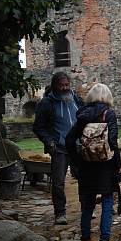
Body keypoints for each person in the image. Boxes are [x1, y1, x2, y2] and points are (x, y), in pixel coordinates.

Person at [65, 83, 121, 241]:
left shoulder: (83, 115)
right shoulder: (109, 113)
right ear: (107, 97)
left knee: (88, 203)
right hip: (105, 166)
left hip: (86, 166)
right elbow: (112, 142)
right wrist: (118, 165)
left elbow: (69, 140)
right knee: (107, 202)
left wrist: (77, 161)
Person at [33, 72, 83, 225]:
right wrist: (49, 140)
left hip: (77, 146)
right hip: (59, 147)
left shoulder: (75, 98)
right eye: (61, 85)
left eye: (66, 85)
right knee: (58, 182)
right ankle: (60, 213)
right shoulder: (47, 103)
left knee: (84, 179)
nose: (64, 88)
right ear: (54, 86)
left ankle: (86, 209)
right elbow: (38, 127)